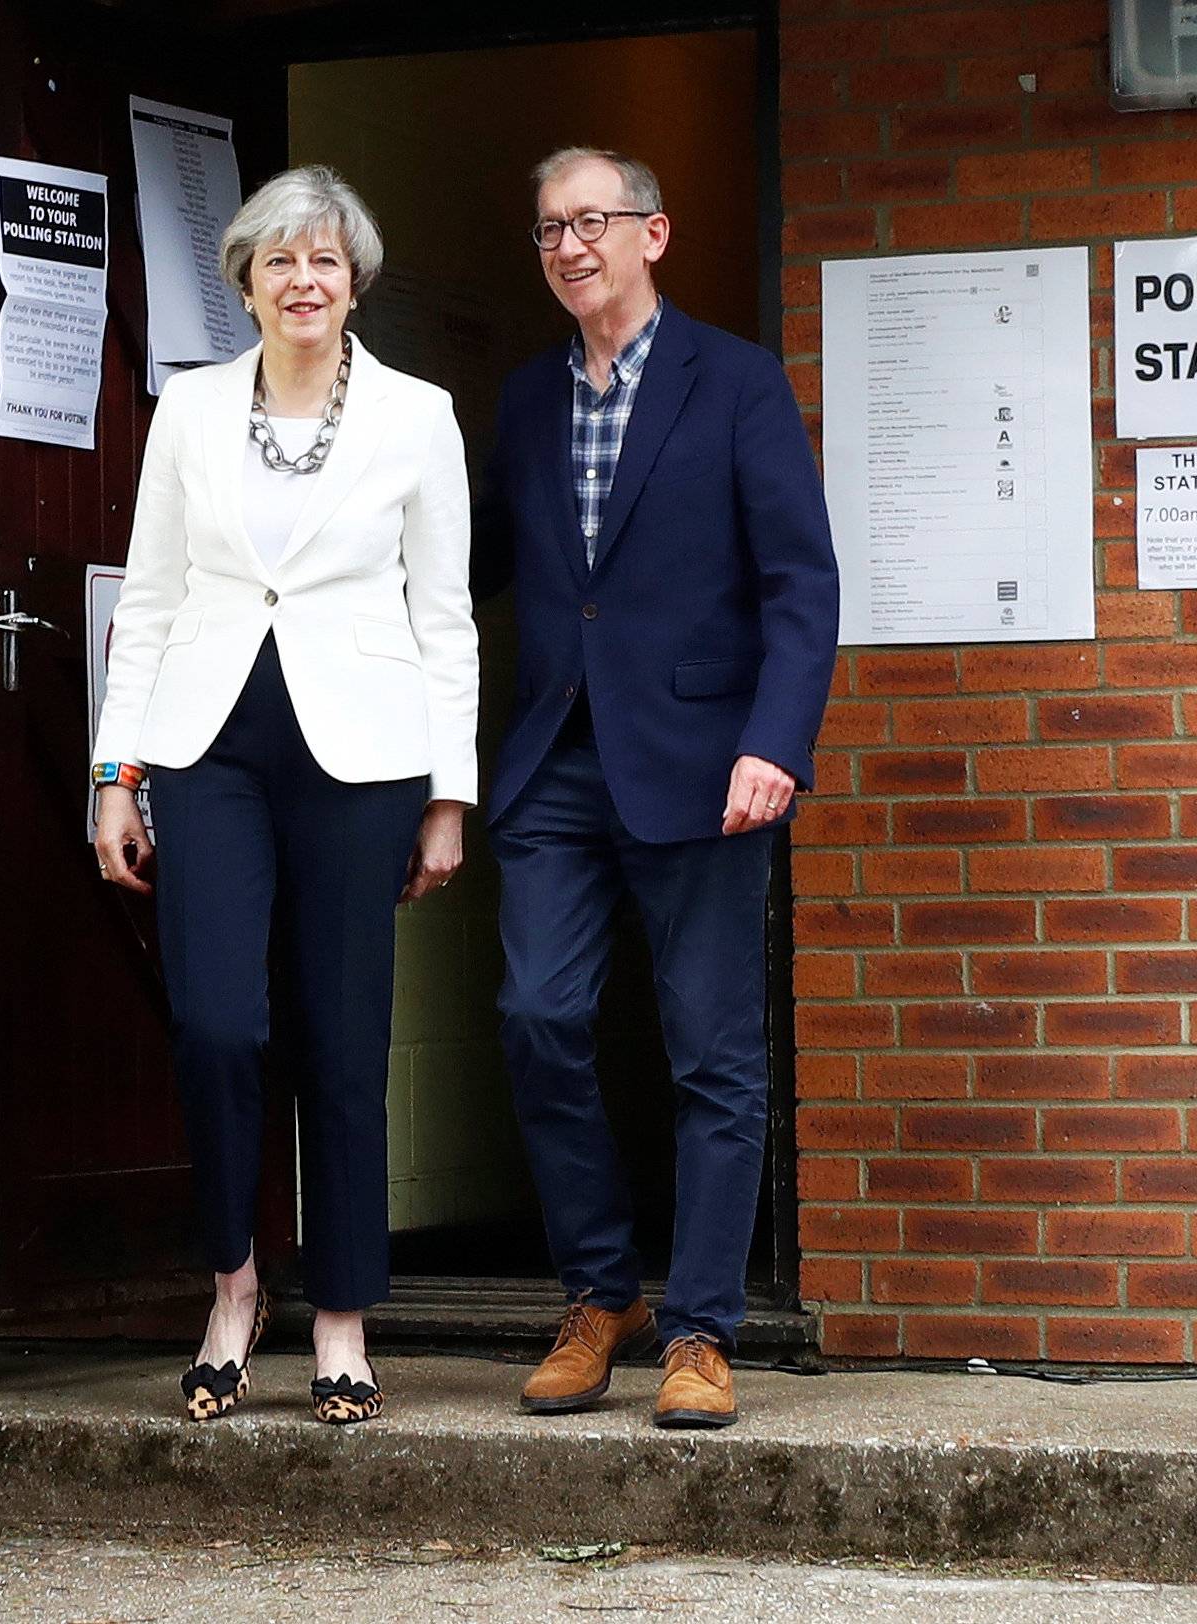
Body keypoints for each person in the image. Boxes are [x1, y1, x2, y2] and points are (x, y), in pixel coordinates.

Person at [91, 165, 477, 1426]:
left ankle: (343, 1321)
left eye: (325, 261)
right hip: (209, 747)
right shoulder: (191, 410)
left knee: (343, 1035)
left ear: (353, 280)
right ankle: (234, 1287)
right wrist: (115, 772)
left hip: (363, 758)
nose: (302, 281)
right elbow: (148, 600)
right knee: (216, 1022)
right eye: (278, 262)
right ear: (245, 283)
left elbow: (446, 616)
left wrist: (449, 795)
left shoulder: (419, 415)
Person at [477, 148, 838, 1429]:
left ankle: (699, 1331)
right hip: (554, 761)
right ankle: (600, 1294)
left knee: (713, 1059)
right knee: (536, 1016)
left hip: (704, 767)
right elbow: (460, 569)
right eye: (547, 231)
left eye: (592, 222)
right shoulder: (523, 400)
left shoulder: (735, 382)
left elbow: (802, 580)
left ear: (655, 232)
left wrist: (776, 742)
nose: (569, 245)